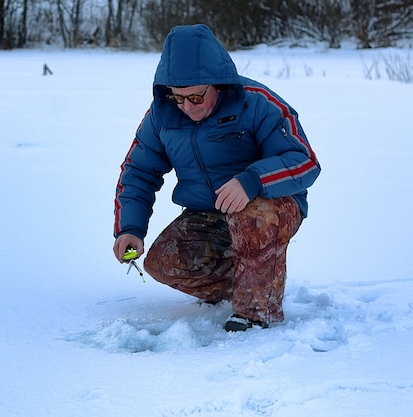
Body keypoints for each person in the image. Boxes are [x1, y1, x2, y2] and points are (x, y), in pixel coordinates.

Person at [112, 24, 320, 332]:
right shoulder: (162, 116)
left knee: (252, 213)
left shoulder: (258, 103)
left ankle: (256, 312)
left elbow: (304, 161)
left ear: (218, 84)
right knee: (163, 263)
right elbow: (139, 172)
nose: (186, 107)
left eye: (196, 98)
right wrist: (129, 229)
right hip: (209, 213)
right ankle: (250, 282)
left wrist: (252, 180)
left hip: (270, 207)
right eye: (177, 98)